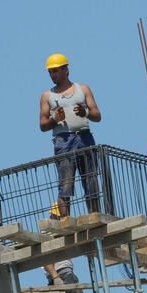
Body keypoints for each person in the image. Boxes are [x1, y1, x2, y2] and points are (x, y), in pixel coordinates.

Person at [39, 53, 102, 216]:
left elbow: (97, 116)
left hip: (84, 138)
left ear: (66, 70)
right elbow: (43, 125)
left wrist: (85, 112)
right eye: (50, 72)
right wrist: (55, 119)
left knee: (91, 181)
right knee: (65, 185)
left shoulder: (83, 90)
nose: (52, 75)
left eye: (55, 71)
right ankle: (66, 221)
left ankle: (94, 217)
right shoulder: (48, 96)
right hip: (63, 140)